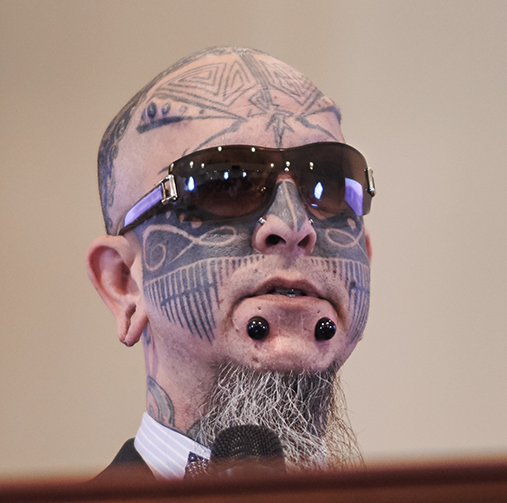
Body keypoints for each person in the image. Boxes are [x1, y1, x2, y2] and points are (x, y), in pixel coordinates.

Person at [87, 48, 372, 476]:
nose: (294, 225)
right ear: (124, 281)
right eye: (226, 182)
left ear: (365, 254)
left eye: (327, 182)